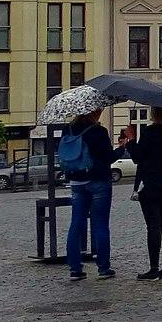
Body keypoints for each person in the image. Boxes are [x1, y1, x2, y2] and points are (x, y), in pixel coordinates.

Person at [116, 106, 162, 280]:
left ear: (153, 114)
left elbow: (138, 157)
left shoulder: (149, 132)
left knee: (153, 226)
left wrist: (131, 140)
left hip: (151, 184)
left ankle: (154, 268)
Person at [58, 109, 119, 281]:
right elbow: (109, 158)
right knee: (100, 224)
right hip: (98, 181)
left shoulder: (68, 129)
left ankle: (75, 269)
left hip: (76, 181)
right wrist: (121, 148)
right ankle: (103, 267)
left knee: (76, 224)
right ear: (93, 112)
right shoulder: (99, 132)